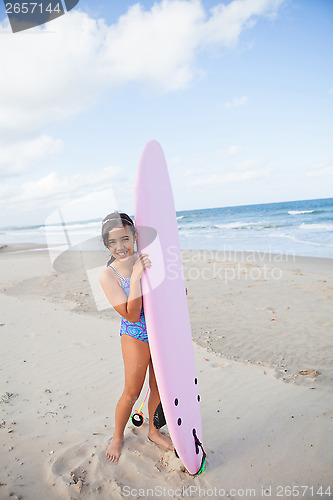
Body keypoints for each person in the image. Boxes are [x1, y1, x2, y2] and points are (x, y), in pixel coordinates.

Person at [99, 212, 174, 463]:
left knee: (159, 386)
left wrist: (176, 289)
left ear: (135, 236)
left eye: (125, 239)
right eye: (112, 242)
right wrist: (135, 277)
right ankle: (118, 436)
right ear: (107, 245)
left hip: (160, 330)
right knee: (132, 391)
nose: (120, 247)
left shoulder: (148, 259)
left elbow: (165, 293)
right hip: (136, 334)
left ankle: (153, 431)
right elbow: (131, 315)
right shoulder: (107, 276)